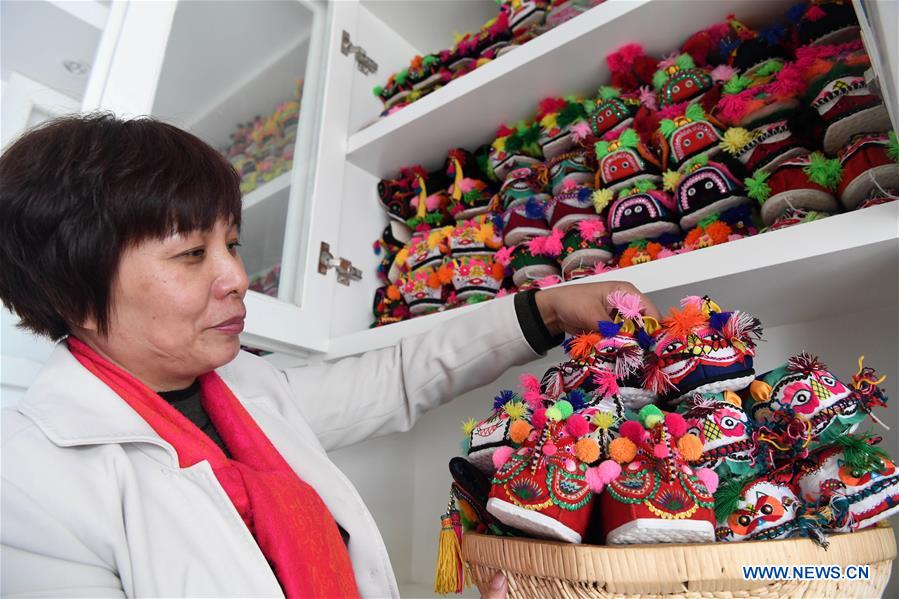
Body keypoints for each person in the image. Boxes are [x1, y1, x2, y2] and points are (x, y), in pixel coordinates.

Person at [0, 114, 659, 598]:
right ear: (75, 294)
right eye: (191, 254)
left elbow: (398, 377)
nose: (234, 275)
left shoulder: (246, 386)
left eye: (231, 243)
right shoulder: (31, 486)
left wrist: (547, 310)